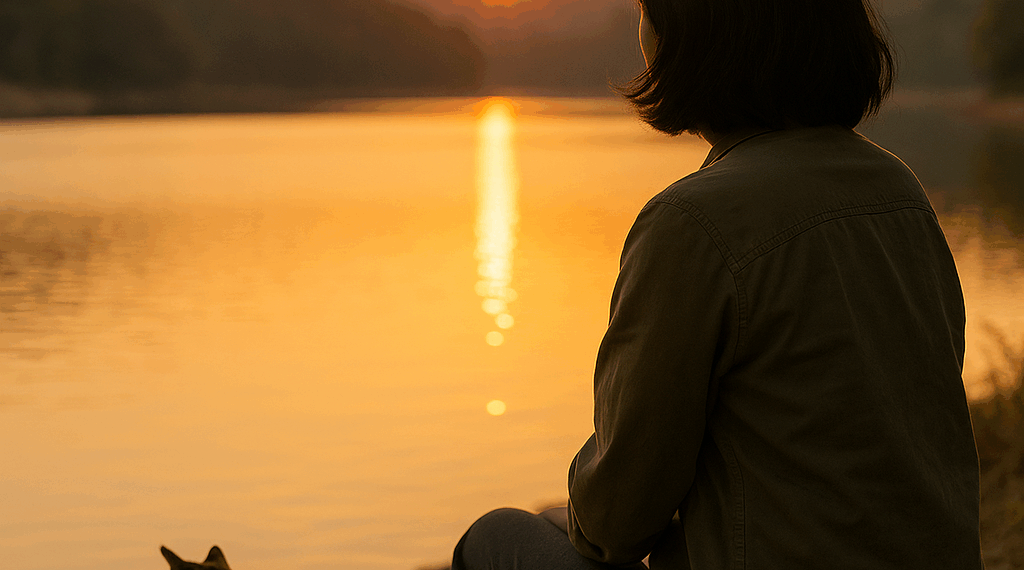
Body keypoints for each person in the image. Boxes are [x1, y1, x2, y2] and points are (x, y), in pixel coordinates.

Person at [451, 0, 985, 568]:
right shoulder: (901, 192)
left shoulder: (694, 222)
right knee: (555, 525)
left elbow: (617, 521)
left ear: (691, 39)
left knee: (496, 539)